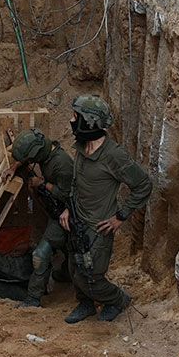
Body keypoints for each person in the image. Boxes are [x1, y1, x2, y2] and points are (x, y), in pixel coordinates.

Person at [60, 95, 152, 323]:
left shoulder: (114, 155)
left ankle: (118, 300)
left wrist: (121, 216)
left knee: (91, 276)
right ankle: (86, 304)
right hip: (77, 221)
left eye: (75, 116)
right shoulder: (82, 146)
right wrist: (68, 209)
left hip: (98, 228)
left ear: (89, 121)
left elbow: (143, 185)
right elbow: (76, 181)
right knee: (75, 269)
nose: (71, 120)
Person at [4, 128, 74, 308]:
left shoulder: (62, 165)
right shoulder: (44, 153)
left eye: (29, 159)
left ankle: (33, 298)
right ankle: (67, 273)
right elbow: (25, 159)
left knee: (40, 255)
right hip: (58, 213)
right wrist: (13, 168)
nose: (28, 162)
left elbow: (67, 195)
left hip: (68, 215)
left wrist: (42, 183)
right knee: (68, 248)